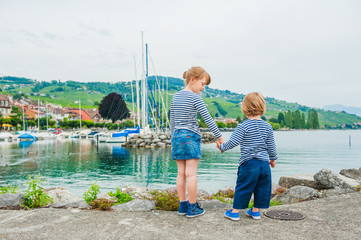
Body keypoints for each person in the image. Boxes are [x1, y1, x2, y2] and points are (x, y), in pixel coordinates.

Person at [170, 66, 224, 218]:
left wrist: (172, 137)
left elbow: (172, 121)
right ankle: (192, 208)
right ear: (192, 80)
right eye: (202, 84)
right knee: (191, 174)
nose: (203, 88)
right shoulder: (195, 98)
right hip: (191, 136)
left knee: (181, 174)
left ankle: (183, 206)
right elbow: (208, 119)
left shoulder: (175, 97)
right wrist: (219, 136)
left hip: (176, 136)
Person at [216, 92, 277, 221]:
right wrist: (272, 159)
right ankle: (255, 211)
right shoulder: (268, 126)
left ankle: (234, 212)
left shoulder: (243, 126)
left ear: (245, 109)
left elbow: (233, 142)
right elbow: (271, 145)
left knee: (243, 186)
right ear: (262, 107)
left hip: (249, 163)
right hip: (264, 164)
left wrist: (222, 147)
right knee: (262, 187)